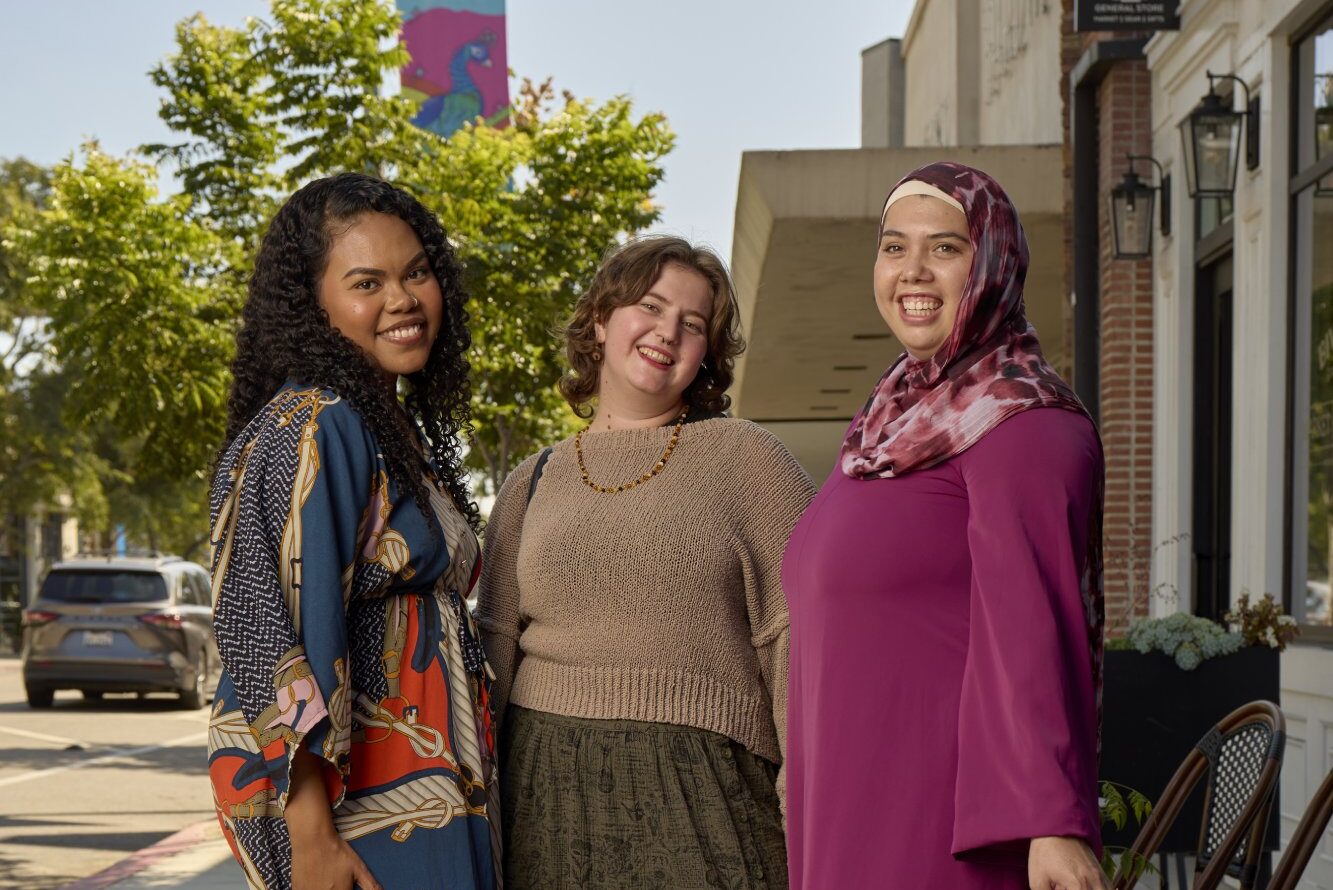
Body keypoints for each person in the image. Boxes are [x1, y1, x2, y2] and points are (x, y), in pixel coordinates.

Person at [783, 162, 1108, 890]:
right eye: (894, 247)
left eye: (946, 247)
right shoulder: (887, 424)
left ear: (992, 262)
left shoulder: (1021, 424)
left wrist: (1052, 824)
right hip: (844, 802)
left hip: (937, 823)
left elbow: (1034, 630)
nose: (913, 271)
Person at [477, 236, 815, 890]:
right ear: (600, 320)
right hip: (540, 795)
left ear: (706, 355)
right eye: (650, 306)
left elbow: (803, 645)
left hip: (707, 793)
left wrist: (808, 812)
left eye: (692, 325)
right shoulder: (530, 481)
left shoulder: (750, 460)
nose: (667, 332)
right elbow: (489, 663)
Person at [206, 173, 498, 890]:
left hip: (428, 784)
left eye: (417, 273)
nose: (402, 300)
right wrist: (311, 839)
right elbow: (266, 628)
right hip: (362, 811)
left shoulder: (379, 423)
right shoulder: (317, 422)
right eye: (367, 283)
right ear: (314, 304)